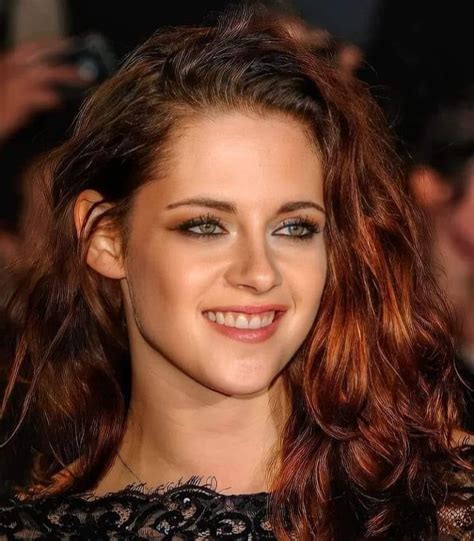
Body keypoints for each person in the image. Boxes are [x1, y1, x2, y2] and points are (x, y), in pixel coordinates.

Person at [0, 4, 472, 540]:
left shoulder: (445, 506)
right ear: (105, 237)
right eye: (205, 226)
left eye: (293, 228)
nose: (259, 273)